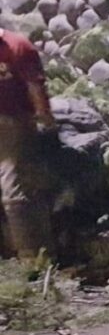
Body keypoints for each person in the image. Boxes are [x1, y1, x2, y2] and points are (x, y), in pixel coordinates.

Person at [0, 27, 55, 260]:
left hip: (14, 122)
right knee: (14, 189)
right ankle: (20, 256)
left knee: (14, 188)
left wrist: (44, 118)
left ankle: (31, 259)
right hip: (10, 122)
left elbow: (35, 87)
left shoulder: (18, 47)